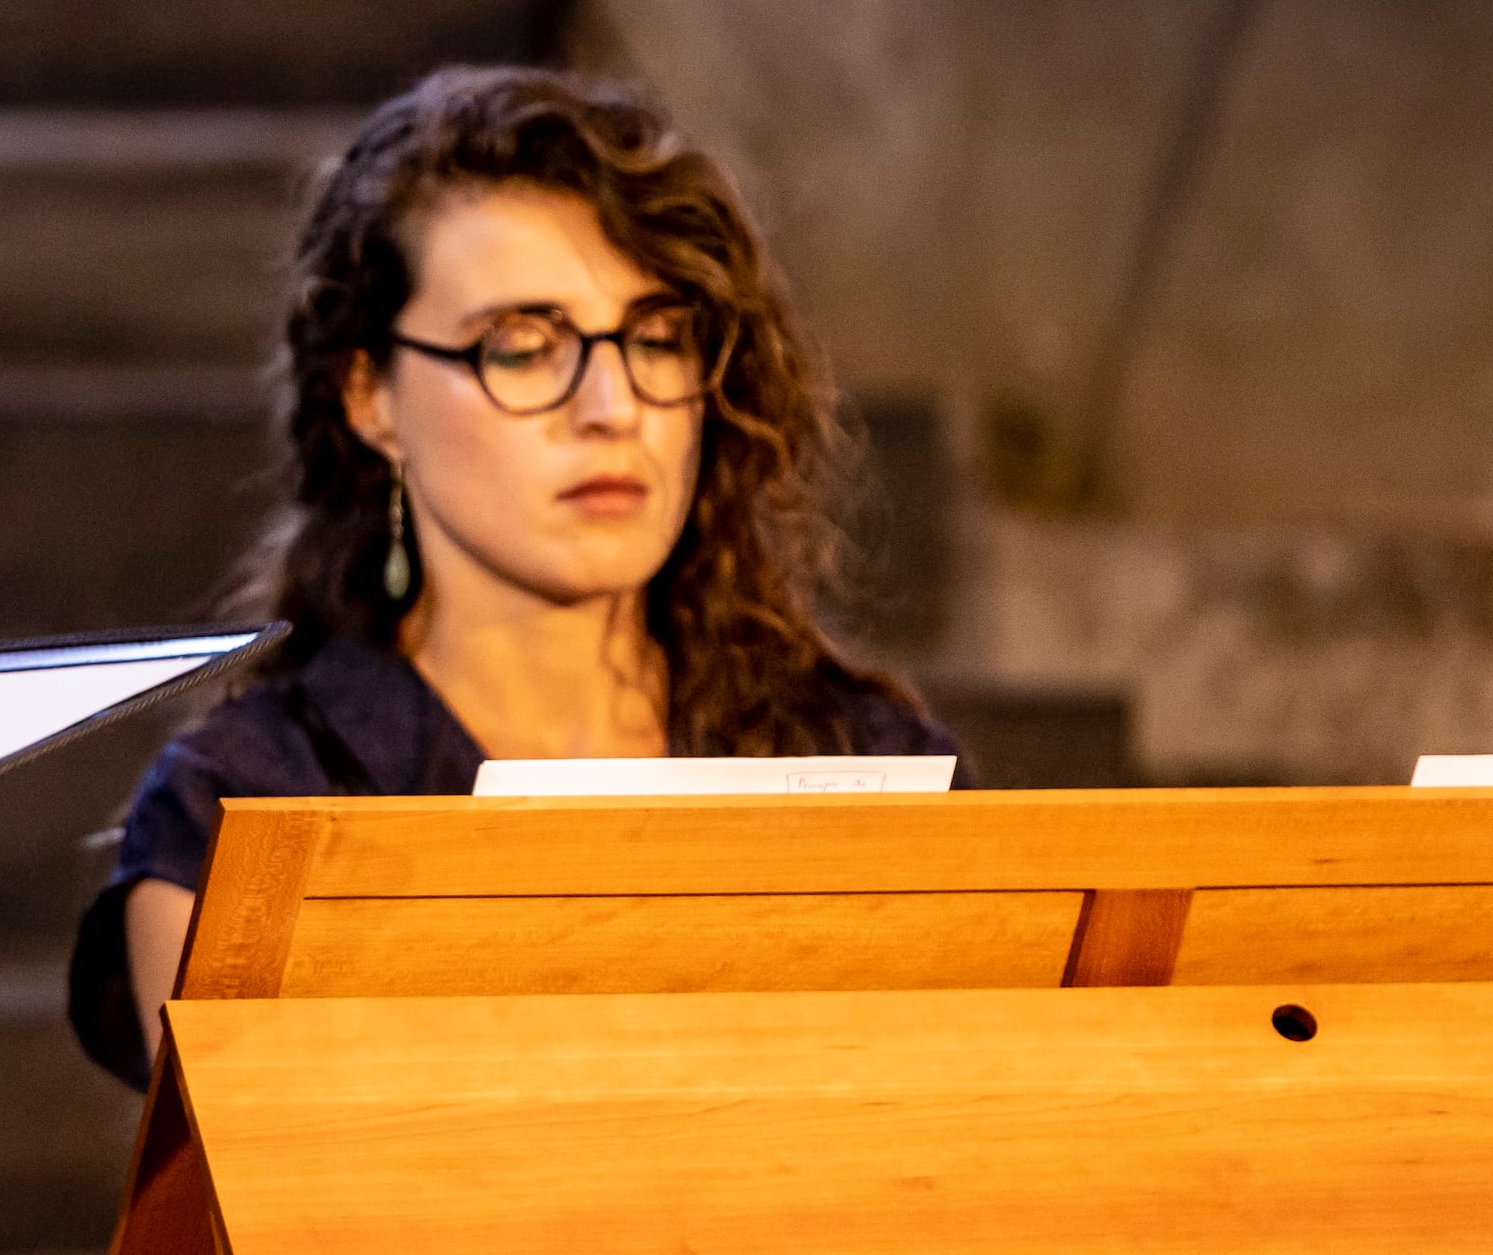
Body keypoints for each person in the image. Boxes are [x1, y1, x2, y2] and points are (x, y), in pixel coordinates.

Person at [67, 65, 950, 1082]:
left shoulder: (855, 754)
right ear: (372, 397)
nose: (612, 404)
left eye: (656, 339)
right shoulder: (245, 812)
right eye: (522, 347)